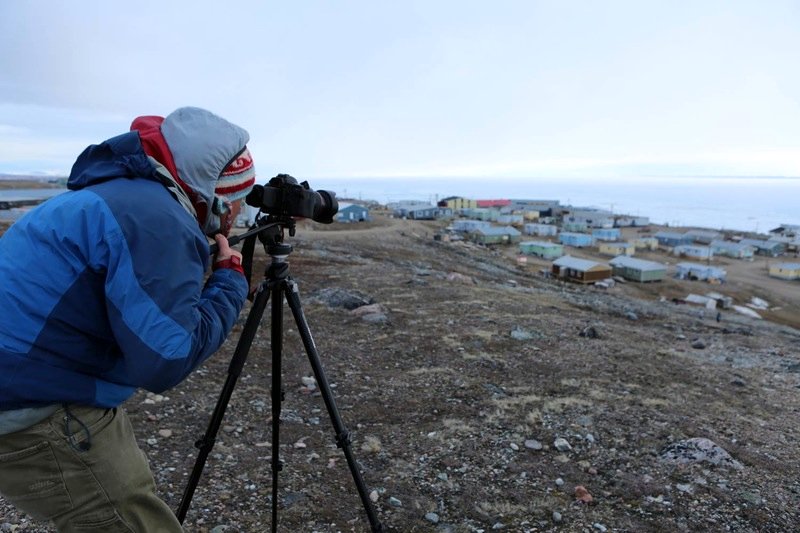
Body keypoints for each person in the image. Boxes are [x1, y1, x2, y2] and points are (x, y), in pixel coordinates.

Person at [0, 107, 257, 531]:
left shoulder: (122, 195)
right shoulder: (156, 220)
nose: (236, 217)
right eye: (236, 204)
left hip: (32, 381)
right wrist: (229, 282)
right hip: (37, 409)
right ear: (213, 197)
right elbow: (165, 360)